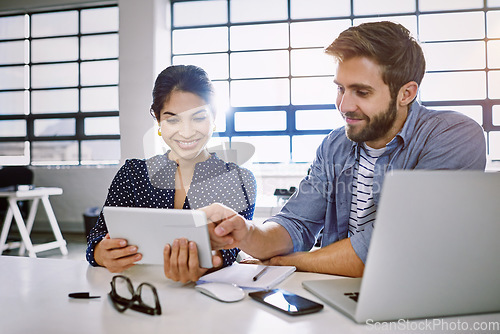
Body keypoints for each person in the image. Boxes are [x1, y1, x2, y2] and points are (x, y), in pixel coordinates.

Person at [201, 21, 487, 278]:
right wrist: (248, 233)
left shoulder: (453, 136)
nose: (345, 105)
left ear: (406, 93)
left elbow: (393, 248)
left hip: (415, 295)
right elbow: (297, 224)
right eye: (340, 89)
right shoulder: (335, 145)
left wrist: (296, 262)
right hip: (338, 292)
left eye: (362, 92)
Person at [86, 65, 256, 282]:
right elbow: (97, 237)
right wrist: (102, 253)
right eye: (172, 119)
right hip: (138, 291)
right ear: (157, 121)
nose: (186, 132)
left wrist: (206, 266)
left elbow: (229, 251)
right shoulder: (132, 174)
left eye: (198, 118)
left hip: (207, 299)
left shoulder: (238, 180)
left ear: (214, 118)